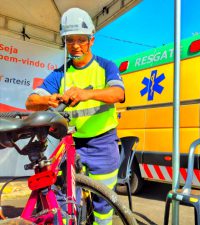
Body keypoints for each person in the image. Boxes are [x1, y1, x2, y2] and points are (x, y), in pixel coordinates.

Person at [25, 7, 125, 225]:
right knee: (63, 198)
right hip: (71, 143)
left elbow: (118, 93)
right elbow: (30, 101)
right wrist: (47, 100)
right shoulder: (61, 73)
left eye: (81, 39)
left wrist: (86, 93)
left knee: (104, 203)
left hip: (103, 142)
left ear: (92, 40)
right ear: (65, 42)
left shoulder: (106, 66)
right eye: (70, 40)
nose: (76, 45)